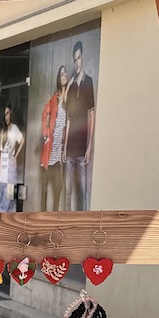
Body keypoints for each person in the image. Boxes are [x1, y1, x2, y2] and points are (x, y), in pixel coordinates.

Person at [63, 39, 96, 211]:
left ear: (82, 57)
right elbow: (68, 119)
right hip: (69, 152)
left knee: (83, 193)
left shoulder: (88, 82)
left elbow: (91, 115)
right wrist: (64, 149)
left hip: (82, 151)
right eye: (74, 59)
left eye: (79, 58)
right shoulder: (70, 86)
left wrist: (89, 147)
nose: (76, 62)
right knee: (68, 193)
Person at [39, 66, 69, 211]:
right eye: (61, 74)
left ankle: (54, 216)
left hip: (59, 149)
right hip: (51, 149)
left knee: (59, 186)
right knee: (45, 189)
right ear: (58, 78)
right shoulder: (54, 98)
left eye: (65, 73)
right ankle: (43, 217)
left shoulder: (68, 98)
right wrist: (46, 135)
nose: (64, 76)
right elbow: (44, 114)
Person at [0, 103, 23, 213]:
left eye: (8, 113)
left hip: (11, 165)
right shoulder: (3, 131)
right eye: (5, 114)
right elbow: (2, 154)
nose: (6, 116)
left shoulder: (15, 129)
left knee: (10, 195)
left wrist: (16, 156)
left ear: (11, 114)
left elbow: (22, 140)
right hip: (4, 165)